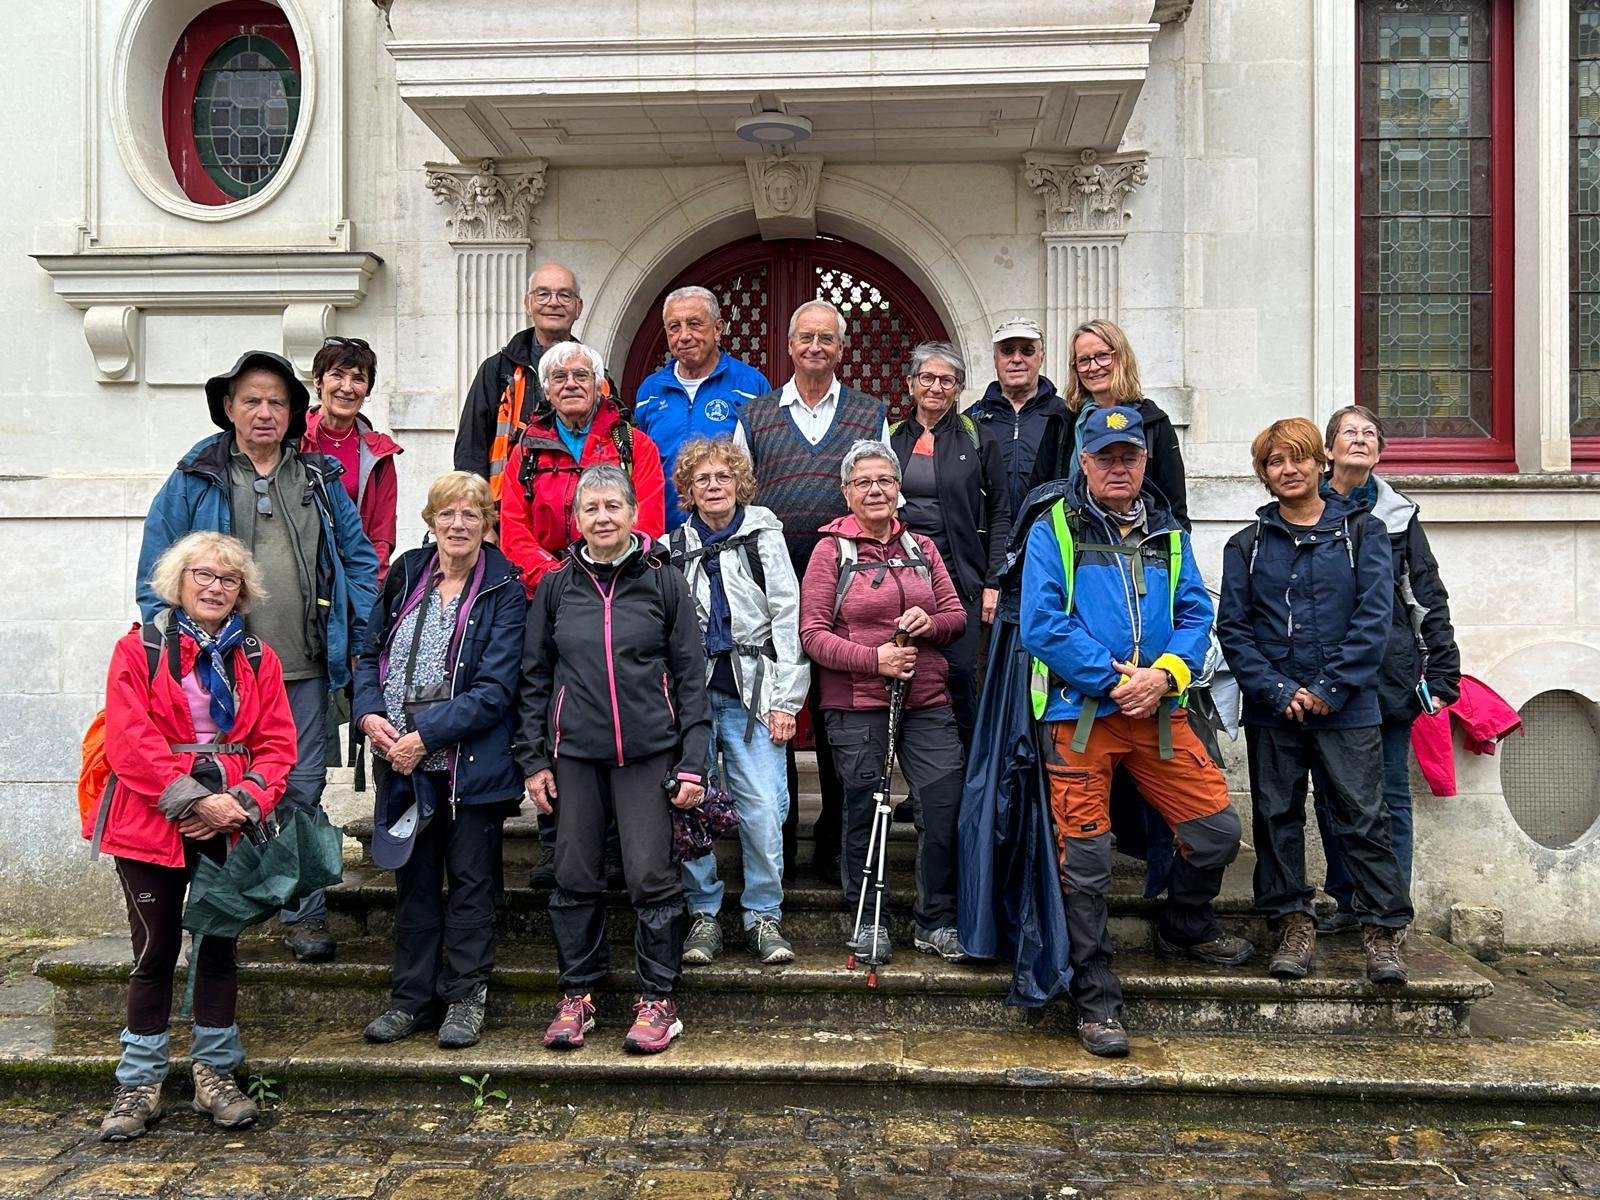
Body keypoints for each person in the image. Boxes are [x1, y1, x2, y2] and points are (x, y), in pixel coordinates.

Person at [1020, 406, 1250, 1059]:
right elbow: (1042, 623)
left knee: (1215, 834)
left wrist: (1165, 675)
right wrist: (1111, 679)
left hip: (1158, 714)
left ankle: (1186, 922)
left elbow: (1194, 614)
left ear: (1145, 462)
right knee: (1087, 861)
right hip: (1080, 715)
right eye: (1105, 457)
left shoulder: (1170, 534)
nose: (1118, 467)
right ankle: (1095, 998)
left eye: (1129, 457)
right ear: (1085, 463)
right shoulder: (1054, 529)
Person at [136, 350, 379, 964]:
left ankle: (302, 913)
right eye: (251, 400)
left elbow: (358, 559)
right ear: (229, 408)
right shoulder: (197, 475)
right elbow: (156, 570)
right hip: (214, 672)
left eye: (276, 401)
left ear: (295, 412)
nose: (264, 412)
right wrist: (170, 645)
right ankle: (217, 915)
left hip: (302, 668)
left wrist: (360, 632)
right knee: (212, 788)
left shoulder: (320, 479)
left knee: (299, 789)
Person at [90, 532, 296, 1141]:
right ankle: (139, 1084)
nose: (214, 587)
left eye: (228, 580)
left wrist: (239, 802)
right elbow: (130, 740)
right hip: (150, 819)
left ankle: (215, 1074)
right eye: (203, 575)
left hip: (229, 821)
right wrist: (193, 800)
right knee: (153, 953)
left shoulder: (259, 658)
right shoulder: (137, 651)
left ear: (243, 593)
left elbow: (279, 744)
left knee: (218, 949)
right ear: (178, 582)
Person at [517, 464, 712, 1055]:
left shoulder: (664, 580)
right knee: (574, 875)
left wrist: (694, 760)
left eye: (613, 507)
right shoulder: (556, 586)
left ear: (633, 513)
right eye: (590, 509)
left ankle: (659, 1000)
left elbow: (690, 676)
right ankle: (578, 994)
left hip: (649, 755)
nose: (602, 518)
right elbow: (534, 678)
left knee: (652, 878)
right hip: (573, 755)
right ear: (576, 520)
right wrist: (533, 760)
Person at [1216, 417, 1411, 987]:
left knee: (1363, 817)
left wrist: (1329, 688)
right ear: (1264, 474)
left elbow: (1375, 619)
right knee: (1277, 817)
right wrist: (1279, 690)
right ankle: (1292, 922)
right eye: (1275, 462)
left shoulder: (1364, 533)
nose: (1288, 470)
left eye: (1298, 458)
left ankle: (1381, 929)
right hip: (1275, 709)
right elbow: (1235, 629)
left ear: (1319, 463)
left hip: (1347, 706)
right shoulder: (1246, 546)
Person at [354, 472, 528, 1050]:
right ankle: (410, 1000)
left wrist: (425, 736)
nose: (458, 525)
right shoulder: (406, 572)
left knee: (473, 883)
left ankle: (464, 999)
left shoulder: (504, 585)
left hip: (468, 765)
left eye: (471, 515)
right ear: (430, 522)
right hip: (400, 763)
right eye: (447, 514)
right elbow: (368, 653)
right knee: (415, 882)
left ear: (487, 524)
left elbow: (496, 687)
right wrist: (369, 714)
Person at [500, 340, 667, 889]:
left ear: (601, 385)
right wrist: (554, 578)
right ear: (545, 391)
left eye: (581, 375)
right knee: (555, 710)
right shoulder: (527, 448)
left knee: (617, 707)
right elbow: (513, 527)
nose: (570, 384)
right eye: (559, 377)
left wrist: (602, 568)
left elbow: (649, 519)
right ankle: (556, 843)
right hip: (548, 595)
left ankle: (618, 846)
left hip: (622, 588)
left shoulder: (632, 444)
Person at [799, 440, 970, 965]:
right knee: (864, 810)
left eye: (885, 481)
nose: (875, 490)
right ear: (847, 492)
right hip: (855, 702)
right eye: (863, 482)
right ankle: (868, 917)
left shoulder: (923, 549)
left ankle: (934, 919)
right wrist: (874, 661)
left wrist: (930, 624)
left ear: (899, 490)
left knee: (942, 806)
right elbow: (812, 634)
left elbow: (955, 615)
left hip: (926, 699)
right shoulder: (831, 551)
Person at [734, 299, 886, 881]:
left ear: (841, 348)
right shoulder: (757, 414)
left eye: (827, 338)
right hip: (772, 587)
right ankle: (783, 846)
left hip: (846, 585)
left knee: (837, 718)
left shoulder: (870, 413)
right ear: (790, 347)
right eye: (806, 338)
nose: (816, 347)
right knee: (779, 713)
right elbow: (742, 499)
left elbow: (877, 492)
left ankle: (833, 847)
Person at [1311, 405, 1460, 933]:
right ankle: (1348, 902)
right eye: (1348, 432)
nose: (1359, 440)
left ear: (1380, 450)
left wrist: (1442, 670)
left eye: (1370, 433)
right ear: (1327, 450)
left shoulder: (1398, 516)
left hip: (1387, 672)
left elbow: (1425, 594)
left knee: (1389, 795)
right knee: (1333, 793)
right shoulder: (1304, 504)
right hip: (1324, 672)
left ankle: (1388, 911)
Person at [667, 439, 809, 966]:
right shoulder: (672, 547)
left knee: (764, 809)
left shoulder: (762, 537)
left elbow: (788, 618)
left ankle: (763, 914)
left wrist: (786, 701)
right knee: (691, 805)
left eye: (722, 477)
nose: (713, 487)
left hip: (754, 692)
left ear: (739, 483)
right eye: (701, 479)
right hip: (694, 700)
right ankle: (703, 912)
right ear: (688, 489)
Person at [888, 341, 1011, 749]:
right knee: (904, 680)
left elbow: (1000, 514)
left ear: (958, 388)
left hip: (961, 581)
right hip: (900, 579)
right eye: (927, 378)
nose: (936, 387)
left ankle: (967, 791)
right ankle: (920, 789)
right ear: (910, 384)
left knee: (959, 680)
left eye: (947, 380)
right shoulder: (890, 439)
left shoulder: (979, 438)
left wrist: (993, 581)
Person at [453, 263, 619, 502]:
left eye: (564, 295)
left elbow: (622, 449)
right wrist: (480, 516)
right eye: (542, 294)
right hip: (508, 515)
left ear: (578, 307)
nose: (553, 302)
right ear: (527, 303)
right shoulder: (497, 370)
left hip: (586, 513)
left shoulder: (598, 377)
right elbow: (470, 451)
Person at [1029, 319, 1189, 530]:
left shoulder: (1153, 422)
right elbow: (1039, 495)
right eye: (1083, 360)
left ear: (1121, 357)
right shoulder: (1062, 422)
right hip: (1071, 542)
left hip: (1137, 543)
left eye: (1103, 356)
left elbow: (1174, 508)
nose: (1093, 367)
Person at [633, 286, 771, 528]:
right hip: (664, 536)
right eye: (674, 327)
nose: (684, 335)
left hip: (730, 535)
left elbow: (766, 465)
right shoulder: (650, 391)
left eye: (694, 324)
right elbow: (639, 465)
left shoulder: (751, 385)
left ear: (718, 329)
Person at [301, 337, 402, 582]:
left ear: (367, 389)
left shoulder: (378, 452)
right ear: (317, 380)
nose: (347, 387)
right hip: (299, 575)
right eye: (337, 375)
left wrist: (370, 587)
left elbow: (382, 534)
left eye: (358, 379)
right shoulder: (293, 438)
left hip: (353, 577)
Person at [969, 317, 1066, 515]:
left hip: (1045, 536)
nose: (1016, 359)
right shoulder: (971, 420)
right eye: (1007, 350)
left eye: (1027, 350)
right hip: (989, 540)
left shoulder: (1065, 415)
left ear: (1041, 356)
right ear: (995, 358)